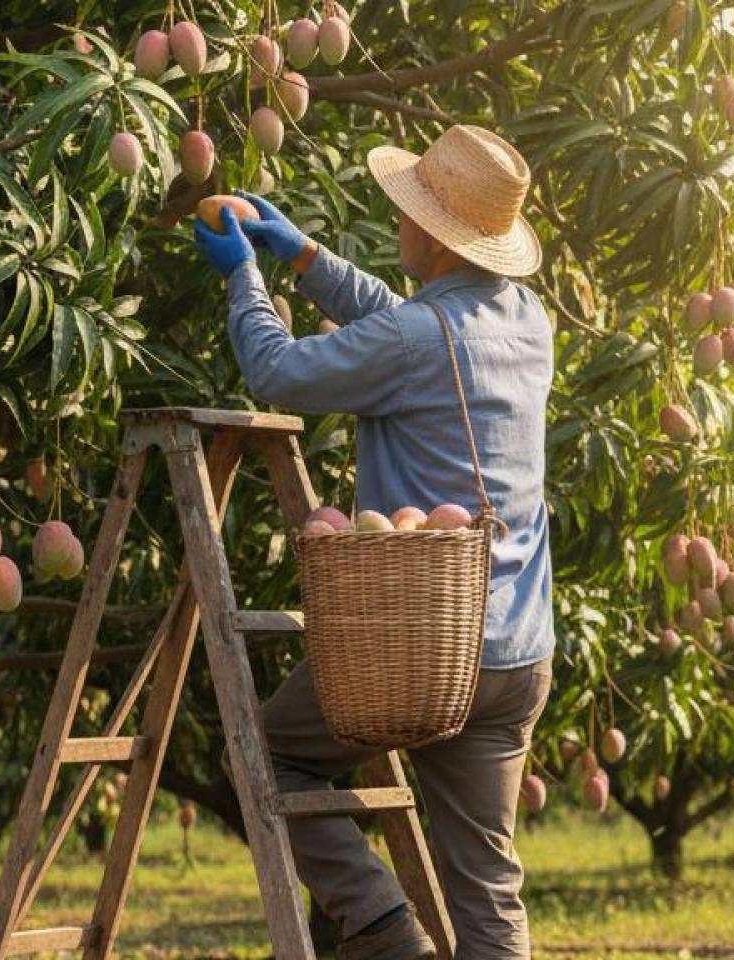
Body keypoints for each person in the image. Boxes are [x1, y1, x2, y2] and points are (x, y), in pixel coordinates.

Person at [193, 125, 555, 960]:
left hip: (422, 643)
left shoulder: (414, 341)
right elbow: (414, 326)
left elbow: (279, 372)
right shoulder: (528, 320)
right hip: (515, 651)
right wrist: (307, 257)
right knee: (489, 886)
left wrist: (245, 274)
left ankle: (385, 930)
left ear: (428, 232)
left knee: (272, 752)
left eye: (407, 214)